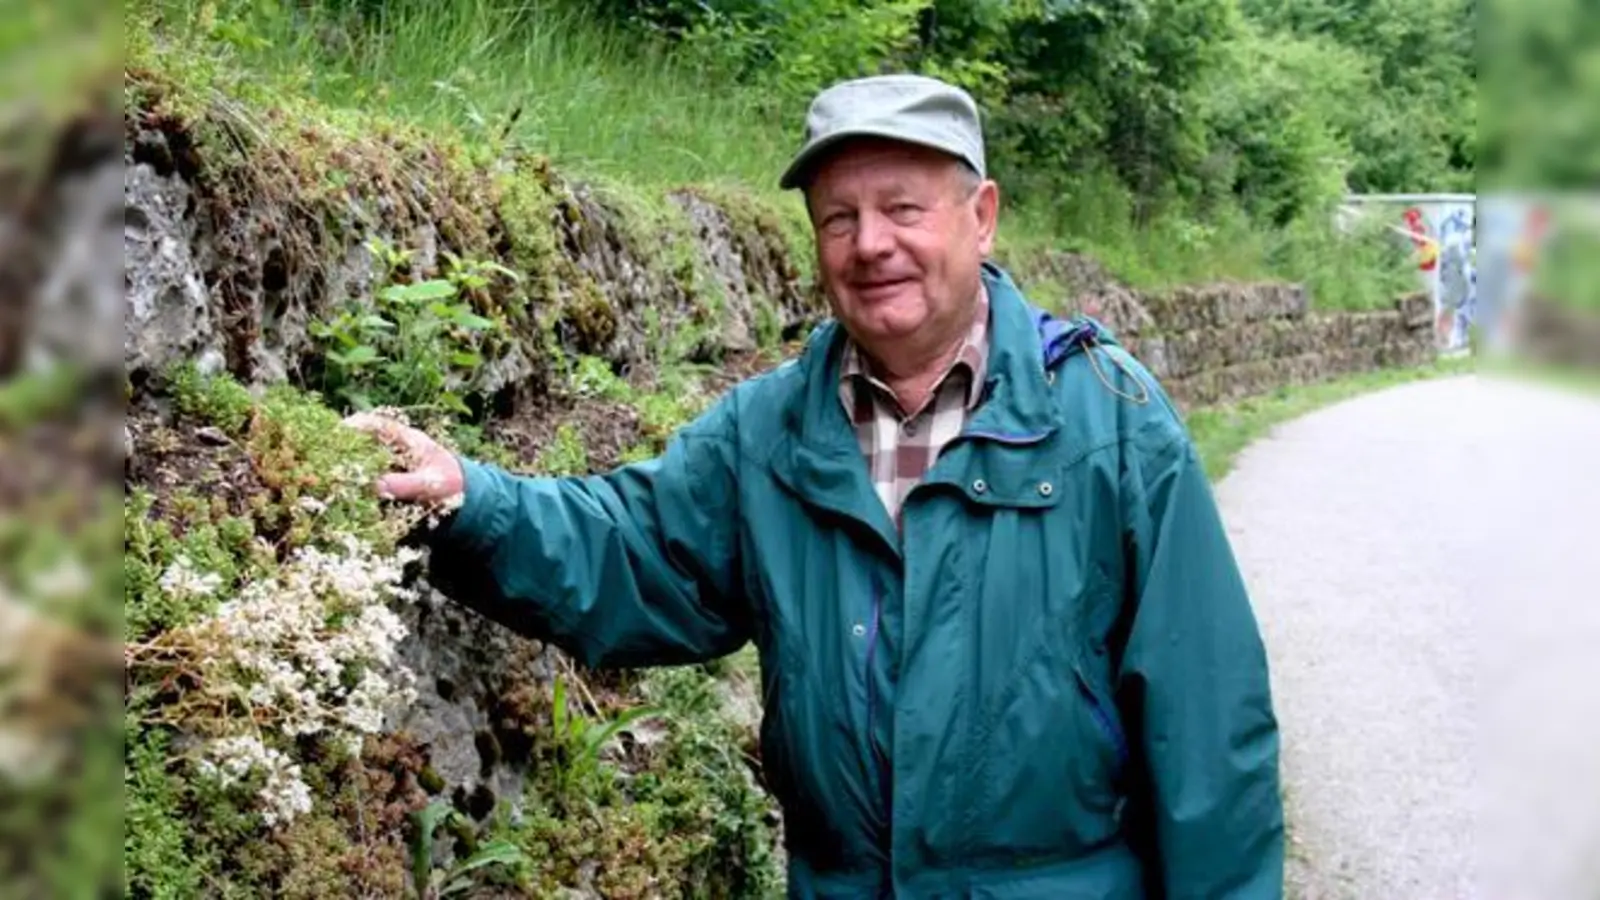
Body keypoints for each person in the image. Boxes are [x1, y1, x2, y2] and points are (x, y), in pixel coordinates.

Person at [347, 73, 1284, 899]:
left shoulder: (1109, 420)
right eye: (841, 217)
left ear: (981, 214)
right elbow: (631, 551)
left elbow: (1208, 727)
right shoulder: (767, 434)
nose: (871, 243)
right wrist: (466, 495)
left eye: (903, 209)